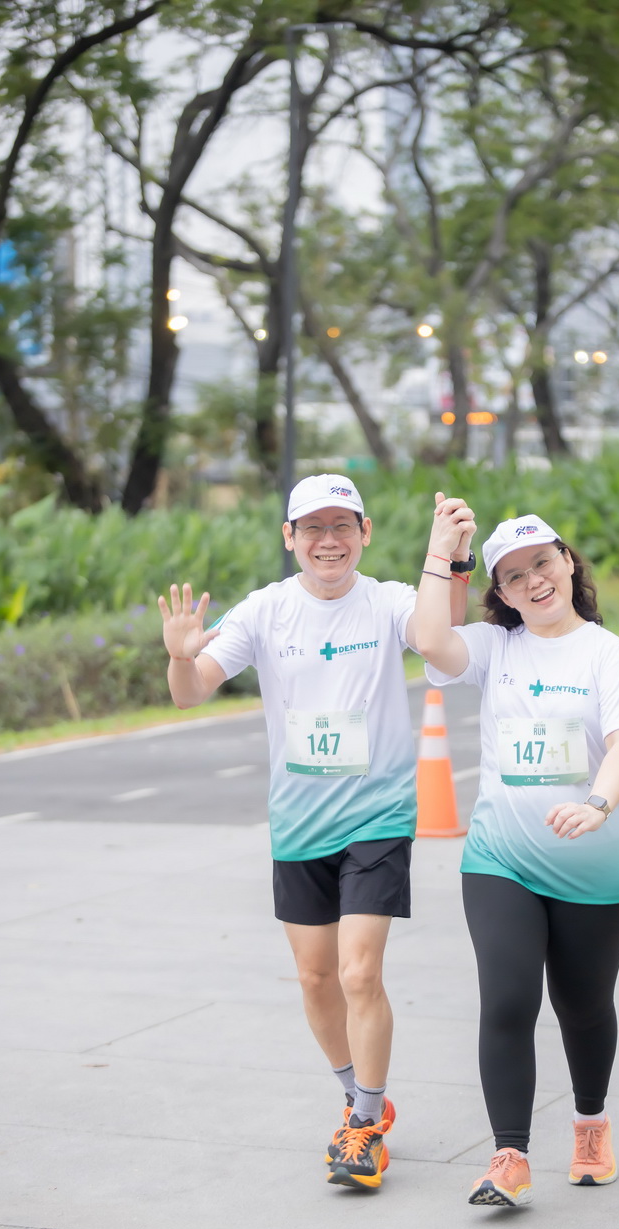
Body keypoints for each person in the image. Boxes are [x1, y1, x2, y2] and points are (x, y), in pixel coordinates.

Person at [158, 474, 473, 1191]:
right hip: (299, 821)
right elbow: (191, 689)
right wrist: (180, 653)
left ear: (364, 533)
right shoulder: (267, 610)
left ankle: (364, 1125)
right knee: (315, 975)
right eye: (312, 528)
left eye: (342, 526)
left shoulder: (390, 599)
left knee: (361, 970)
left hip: (378, 815)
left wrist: (450, 555)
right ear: (289, 537)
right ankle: (358, 1092)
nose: (328, 540)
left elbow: (437, 631)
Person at [413, 503, 619, 1207]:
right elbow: (431, 638)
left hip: (595, 867)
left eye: (542, 563)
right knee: (509, 997)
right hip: (501, 860)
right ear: (504, 592)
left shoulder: (609, 655)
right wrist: (442, 551)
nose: (534, 581)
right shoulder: (498, 647)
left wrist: (597, 805)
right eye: (515, 576)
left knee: (582, 1005)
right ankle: (509, 1154)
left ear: (568, 562)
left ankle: (589, 1122)